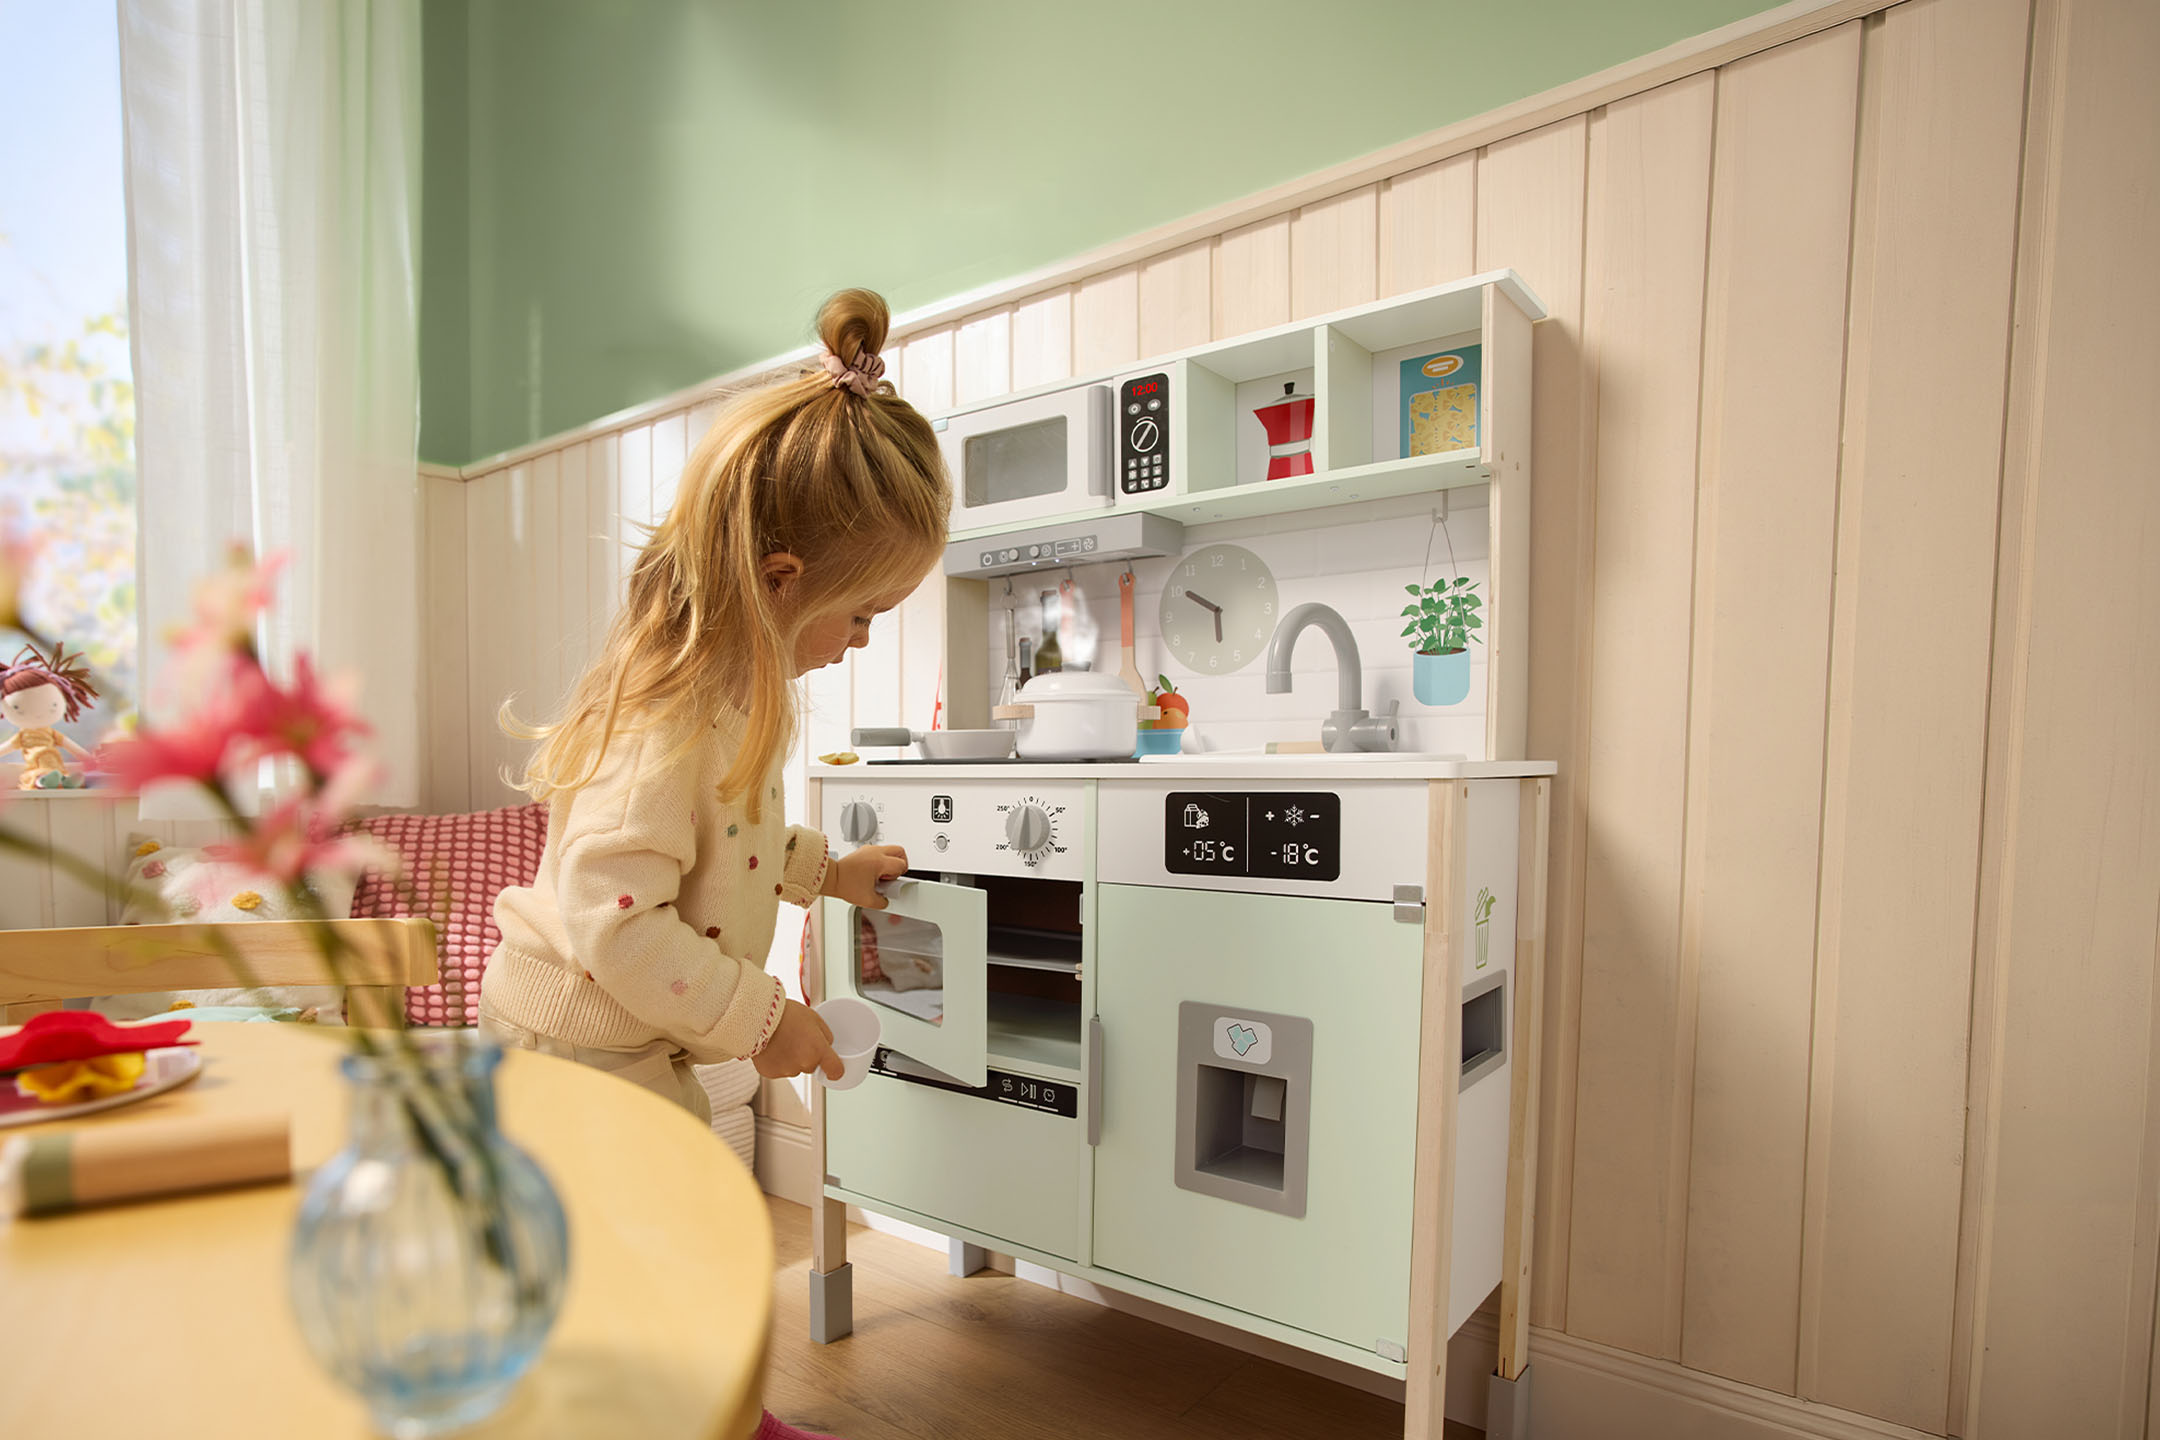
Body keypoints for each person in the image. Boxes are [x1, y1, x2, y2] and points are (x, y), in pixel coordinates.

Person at [480, 287, 948, 1124]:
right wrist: (760, 1021)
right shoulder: (665, 724)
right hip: (575, 1039)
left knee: (666, 1222)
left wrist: (827, 875)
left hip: (628, 1029)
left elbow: (732, 843)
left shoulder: (737, 701)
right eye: (863, 613)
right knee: (655, 1234)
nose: (866, 640)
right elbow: (615, 922)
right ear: (781, 580)